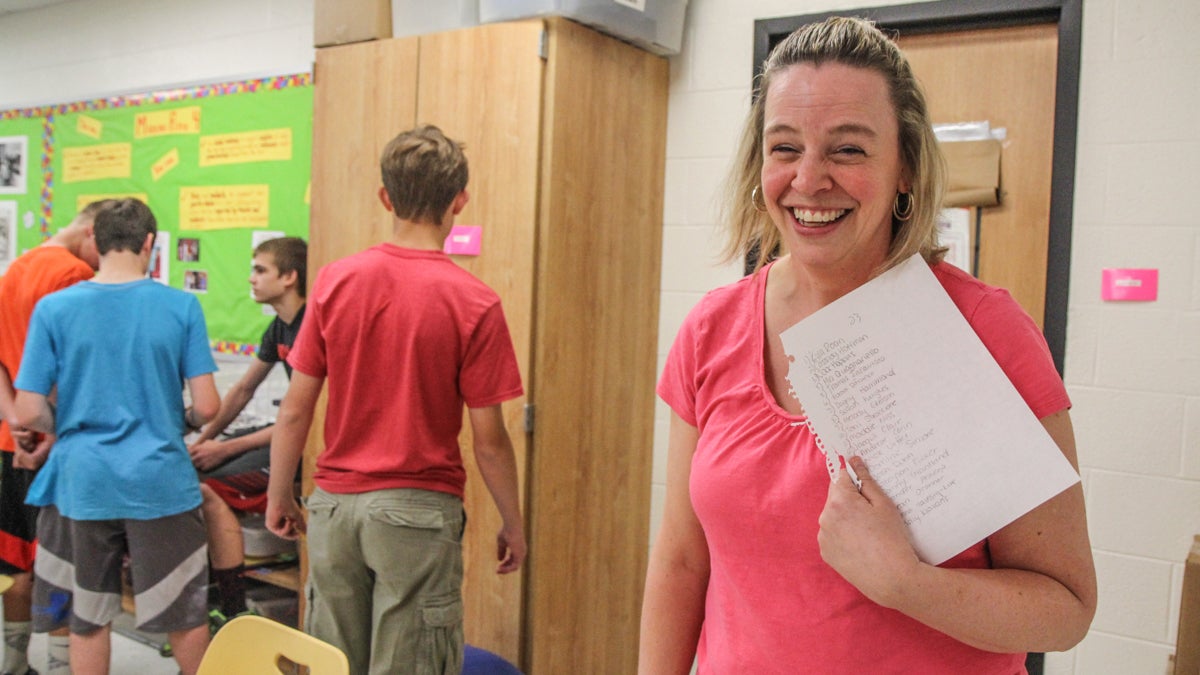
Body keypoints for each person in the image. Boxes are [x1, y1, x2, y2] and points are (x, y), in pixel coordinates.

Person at [638, 17, 1096, 674]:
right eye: (785, 147)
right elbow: (681, 561)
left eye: (848, 149)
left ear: (905, 168)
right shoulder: (711, 329)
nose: (810, 178)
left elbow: (1067, 605)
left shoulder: (983, 331)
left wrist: (905, 583)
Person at [266, 124, 527, 675]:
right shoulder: (474, 302)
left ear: (386, 198)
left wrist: (279, 496)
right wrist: (513, 521)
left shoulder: (336, 282)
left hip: (334, 508)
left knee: (331, 665)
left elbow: (295, 408)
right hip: (416, 512)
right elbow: (490, 439)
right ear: (460, 200)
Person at [13, 198, 220, 675]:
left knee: (87, 617)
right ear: (150, 243)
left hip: (81, 482)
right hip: (160, 482)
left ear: (96, 241)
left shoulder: (55, 308)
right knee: (184, 612)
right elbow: (207, 407)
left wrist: (66, 424)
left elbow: (28, 408)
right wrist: (179, 420)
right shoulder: (181, 305)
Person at [0, 200, 112, 675]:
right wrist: (45, 429)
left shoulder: (14, 270)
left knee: (15, 563)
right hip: (54, 446)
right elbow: (73, 371)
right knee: (63, 565)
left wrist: (14, 422)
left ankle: (14, 660)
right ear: (91, 234)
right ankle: (63, 662)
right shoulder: (72, 275)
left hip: (9, 441)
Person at [186, 236, 307, 623]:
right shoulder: (279, 328)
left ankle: (233, 608)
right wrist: (204, 440)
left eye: (260, 270)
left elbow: (308, 418)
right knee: (192, 467)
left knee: (207, 486)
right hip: (287, 430)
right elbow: (242, 390)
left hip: (306, 444)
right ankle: (214, 598)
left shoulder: (311, 327)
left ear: (289, 277)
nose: (252, 279)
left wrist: (222, 451)